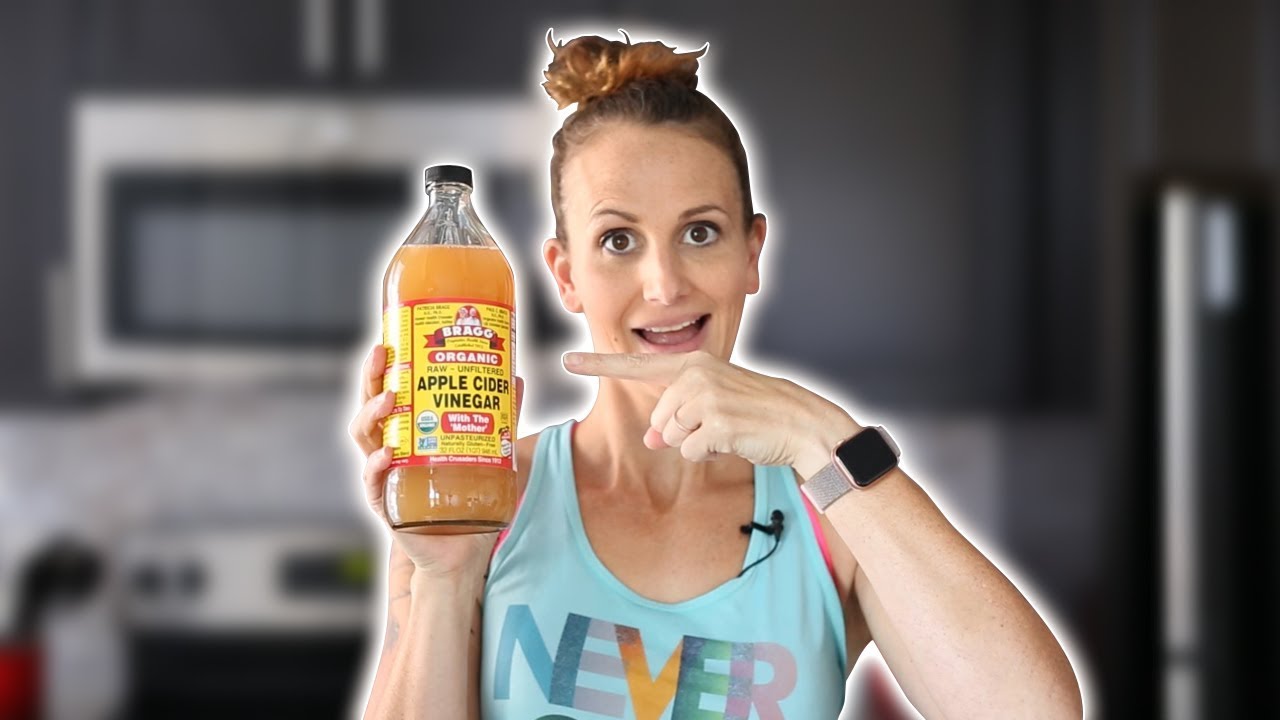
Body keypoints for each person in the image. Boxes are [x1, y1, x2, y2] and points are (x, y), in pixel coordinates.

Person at [348, 29, 1084, 720]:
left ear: (751, 254)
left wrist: (824, 435)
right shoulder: (484, 500)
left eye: (700, 233)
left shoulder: (832, 511)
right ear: (566, 275)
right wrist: (444, 578)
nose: (665, 285)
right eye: (618, 240)